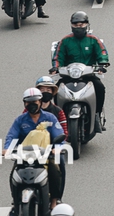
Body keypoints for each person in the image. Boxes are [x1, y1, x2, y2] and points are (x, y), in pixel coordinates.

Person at [4, 88, 65, 213]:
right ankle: (16, 202)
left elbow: (59, 134)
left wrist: (57, 149)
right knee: (13, 175)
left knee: (56, 170)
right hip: (25, 156)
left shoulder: (50, 118)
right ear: (25, 103)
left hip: (45, 155)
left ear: (40, 101)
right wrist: (7, 149)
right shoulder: (20, 120)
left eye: (35, 101)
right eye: (28, 102)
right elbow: (11, 136)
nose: (32, 104)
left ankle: (54, 199)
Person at [51, 11, 110, 122]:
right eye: (76, 25)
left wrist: (102, 64)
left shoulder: (93, 40)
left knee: (100, 88)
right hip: (68, 75)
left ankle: (97, 114)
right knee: (55, 90)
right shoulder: (65, 41)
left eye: (82, 24)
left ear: (87, 24)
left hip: (88, 74)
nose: (79, 27)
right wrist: (55, 67)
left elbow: (102, 52)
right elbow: (58, 56)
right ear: (71, 25)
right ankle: (59, 117)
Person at [33, 76, 67, 204]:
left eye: (48, 89)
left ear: (53, 92)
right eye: (42, 89)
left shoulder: (58, 111)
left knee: (60, 164)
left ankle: (56, 198)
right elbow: (20, 129)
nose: (45, 92)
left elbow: (64, 131)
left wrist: (57, 148)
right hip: (32, 148)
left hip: (52, 148)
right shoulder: (29, 109)